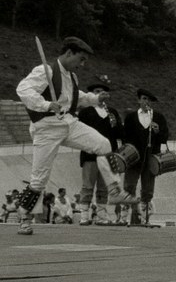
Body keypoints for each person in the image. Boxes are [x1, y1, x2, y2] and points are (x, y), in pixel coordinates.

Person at [14, 37, 138, 235]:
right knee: (39, 179)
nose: (82, 64)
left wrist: (95, 98)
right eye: (81, 59)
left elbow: (77, 97)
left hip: (69, 123)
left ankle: (114, 190)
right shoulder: (45, 71)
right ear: (69, 53)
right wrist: (46, 104)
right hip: (47, 127)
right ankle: (24, 216)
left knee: (104, 144)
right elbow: (23, 89)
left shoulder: (72, 77)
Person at [77, 83, 123, 226]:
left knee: (103, 187)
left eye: (102, 92)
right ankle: (84, 214)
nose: (100, 94)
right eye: (97, 92)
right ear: (91, 94)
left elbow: (119, 134)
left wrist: (116, 125)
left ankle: (101, 215)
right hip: (90, 154)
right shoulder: (86, 112)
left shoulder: (112, 112)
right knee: (88, 186)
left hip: (108, 155)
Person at [122, 88, 169, 226]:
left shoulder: (158, 117)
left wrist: (158, 132)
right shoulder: (130, 117)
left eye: (149, 100)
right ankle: (124, 217)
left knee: (148, 189)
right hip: (134, 157)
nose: (146, 102)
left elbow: (165, 136)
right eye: (144, 98)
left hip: (150, 156)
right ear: (138, 100)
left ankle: (144, 217)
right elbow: (125, 137)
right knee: (129, 186)